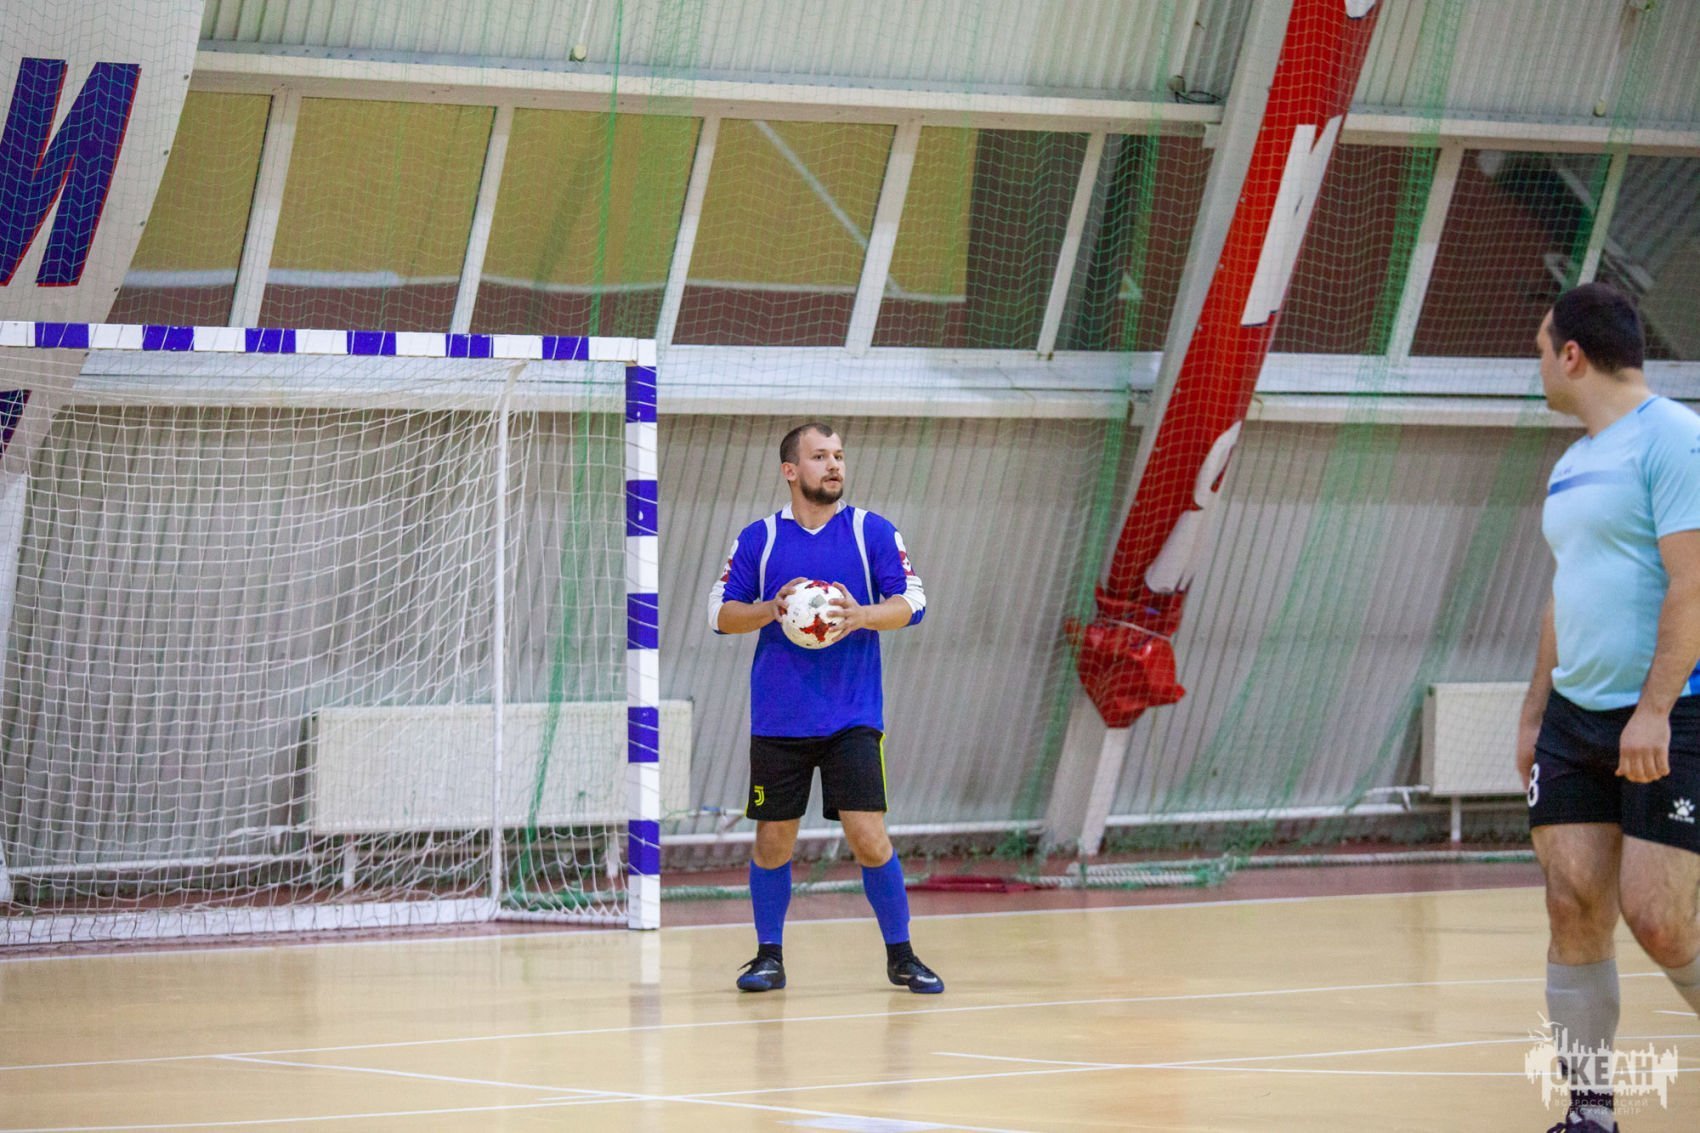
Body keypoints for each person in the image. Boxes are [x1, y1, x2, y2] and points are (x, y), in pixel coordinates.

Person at [1518, 283, 1700, 1133]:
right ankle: (1590, 1112)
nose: (1538, 366)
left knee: (1660, 919)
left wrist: (1655, 709)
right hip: (1575, 719)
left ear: (1573, 355)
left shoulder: (1675, 438)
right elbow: (1568, 593)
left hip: (1668, 714)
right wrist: (1533, 712)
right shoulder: (1570, 464)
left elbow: (1693, 585)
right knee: (1572, 902)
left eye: (1541, 349)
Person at [706, 421, 943, 994]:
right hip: (779, 718)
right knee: (773, 841)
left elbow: (913, 601)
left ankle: (902, 956)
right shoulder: (760, 538)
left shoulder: (870, 531)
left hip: (852, 716)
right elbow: (720, 614)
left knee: (868, 836)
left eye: (838, 455)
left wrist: (862, 615)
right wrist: (770, 608)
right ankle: (768, 957)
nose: (834, 465)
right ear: (791, 471)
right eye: (819, 456)